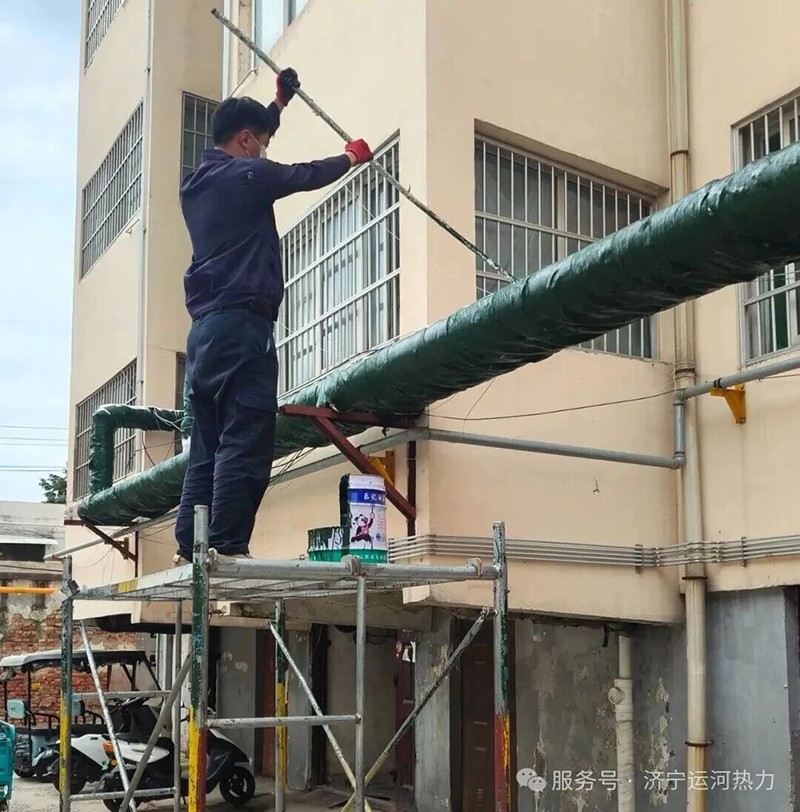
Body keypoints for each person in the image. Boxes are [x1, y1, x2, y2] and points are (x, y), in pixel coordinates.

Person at [173, 68, 373, 564]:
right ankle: (227, 545)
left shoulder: (195, 184)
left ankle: (191, 545)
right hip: (244, 326)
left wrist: (279, 105)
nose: (263, 150)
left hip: (204, 334)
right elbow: (301, 175)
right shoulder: (249, 174)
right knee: (246, 434)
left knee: (206, 445)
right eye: (260, 143)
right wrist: (351, 157)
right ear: (245, 141)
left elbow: (256, 137)